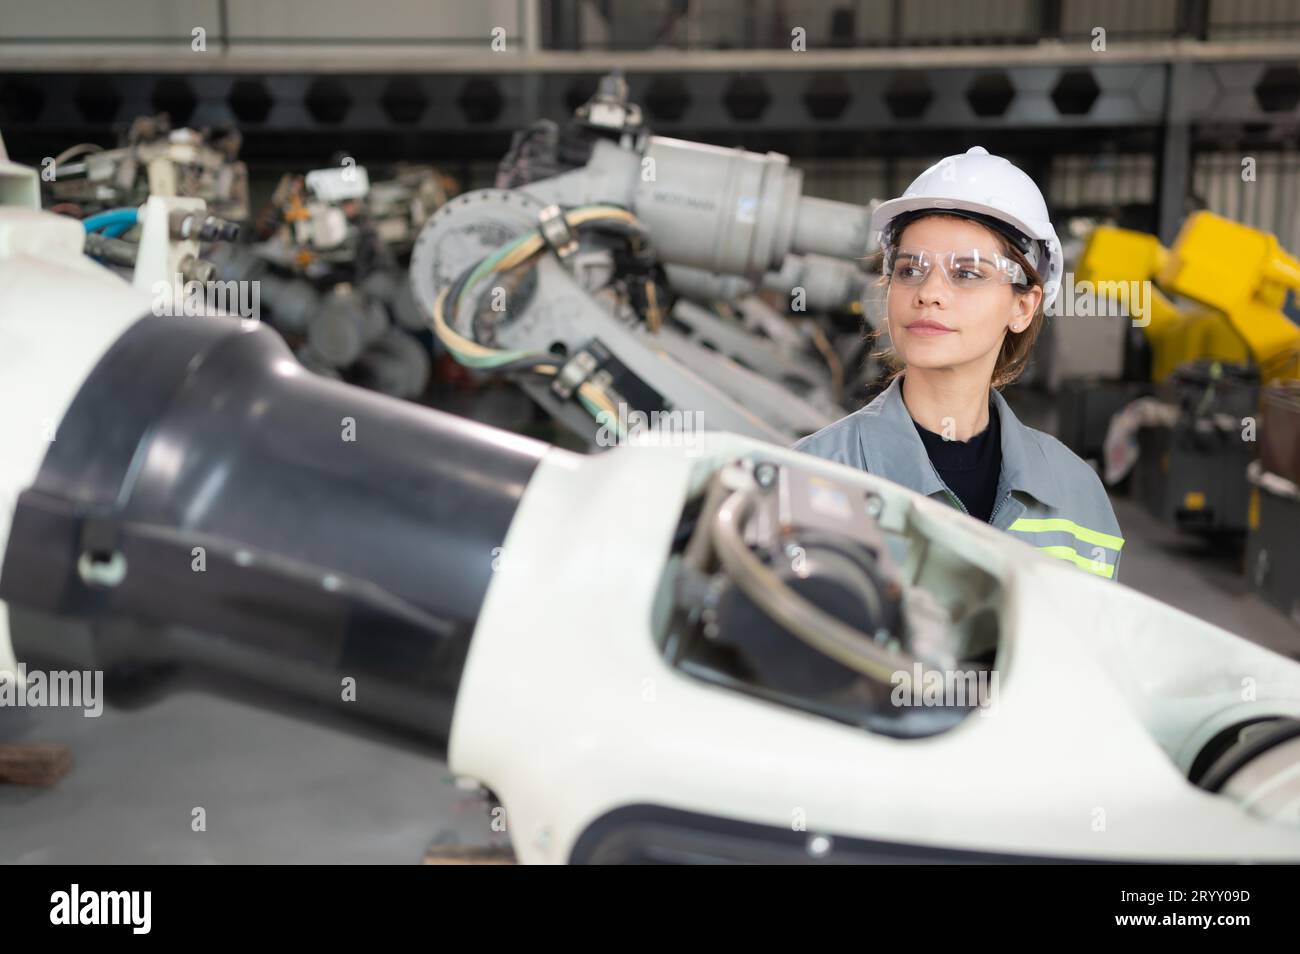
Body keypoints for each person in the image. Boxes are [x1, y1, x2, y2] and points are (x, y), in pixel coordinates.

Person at [793, 147, 1124, 582]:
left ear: (1023, 306)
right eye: (910, 269)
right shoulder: (811, 475)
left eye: (967, 273)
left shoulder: (1077, 495)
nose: (929, 293)